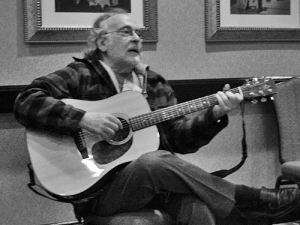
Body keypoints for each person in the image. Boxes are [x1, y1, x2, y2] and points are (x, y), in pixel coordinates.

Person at [14, 8, 300, 225]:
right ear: (102, 42)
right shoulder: (80, 75)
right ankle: (252, 199)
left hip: (159, 187)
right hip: (99, 193)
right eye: (126, 32)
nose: (136, 37)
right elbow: (27, 101)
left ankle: (244, 206)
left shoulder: (154, 83)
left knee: (197, 208)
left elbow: (179, 141)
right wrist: (83, 119)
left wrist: (214, 114)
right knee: (153, 160)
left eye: (137, 32)